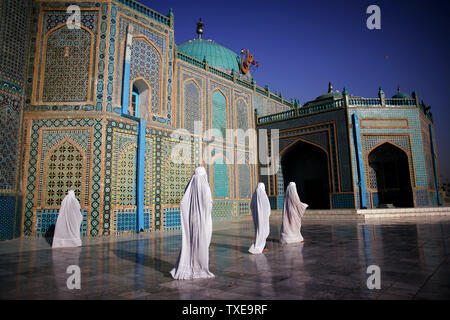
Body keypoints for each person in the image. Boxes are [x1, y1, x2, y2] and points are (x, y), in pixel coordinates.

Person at [170, 167, 215, 280]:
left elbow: (183, 203)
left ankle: (188, 266)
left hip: (191, 220)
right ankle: (199, 268)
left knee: (191, 242)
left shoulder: (190, 185)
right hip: (203, 220)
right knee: (202, 243)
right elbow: (208, 204)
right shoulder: (205, 186)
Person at [249, 183, 271, 254]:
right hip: (263, 218)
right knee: (264, 231)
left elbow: (251, 206)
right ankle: (261, 246)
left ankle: (262, 246)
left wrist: (255, 214)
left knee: (259, 231)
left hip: (257, 218)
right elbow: (267, 207)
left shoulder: (254, 195)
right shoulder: (263, 194)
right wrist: (266, 215)